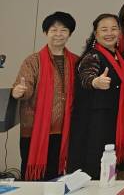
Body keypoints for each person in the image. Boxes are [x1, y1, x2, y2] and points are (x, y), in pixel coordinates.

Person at [12, 12, 78, 181]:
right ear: (45, 32)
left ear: (70, 34)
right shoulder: (33, 61)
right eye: (53, 30)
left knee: (57, 177)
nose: (58, 34)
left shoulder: (76, 61)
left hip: (65, 129)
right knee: (33, 179)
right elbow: (24, 85)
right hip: (35, 129)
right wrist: (19, 91)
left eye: (63, 30)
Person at [67, 14, 124, 179]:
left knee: (107, 171)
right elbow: (86, 76)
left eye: (113, 29)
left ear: (119, 32)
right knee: (93, 168)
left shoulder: (119, 57)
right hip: (93, 124)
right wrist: (95, 82)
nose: (109, 33)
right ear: (96, 34)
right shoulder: (93, 56)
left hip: (111, 121)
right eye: (104, 29)